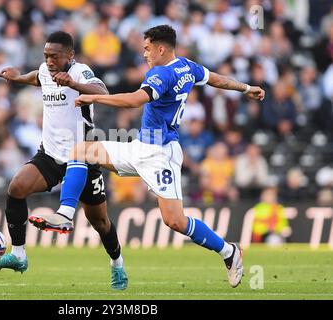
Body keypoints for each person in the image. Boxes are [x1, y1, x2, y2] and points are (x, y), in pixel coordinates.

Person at [30, 25, 265, 288]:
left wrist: (93, 97)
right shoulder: (188, 67)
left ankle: (229, 251)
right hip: (139, 146)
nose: (145, 54)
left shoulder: (160, 74)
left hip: (160, 154)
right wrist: (246, 88)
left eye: (147, 48)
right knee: (81, 149)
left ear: (161, 48)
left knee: (174, 220)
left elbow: (133, 100)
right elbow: (216, 79)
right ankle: (65, 213)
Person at [0, 31, 127, 290]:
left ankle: (117, 263)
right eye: (45, 56)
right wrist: (17, 78)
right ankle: (18, 255)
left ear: (69, 55)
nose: (49, 61)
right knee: (16, 188)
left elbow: (102, 90)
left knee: (100, 222)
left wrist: (73, 84)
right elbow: (37, 77)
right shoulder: (44, 70)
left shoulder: (81, 71)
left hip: (83, 154)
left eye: (54, 56)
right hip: (50, 154)